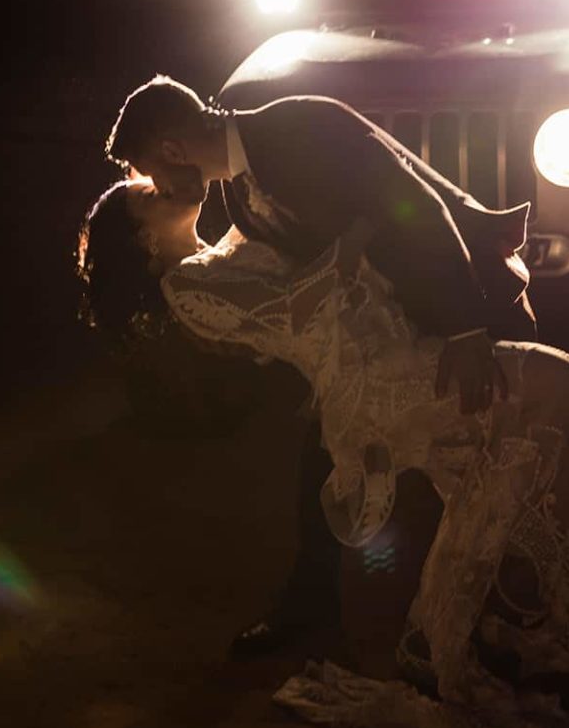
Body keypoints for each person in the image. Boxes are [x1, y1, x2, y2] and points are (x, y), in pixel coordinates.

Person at [79, 179, 569, 728]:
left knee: (508, 452)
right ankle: (451, 641)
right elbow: (297, 308)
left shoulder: (218, 252)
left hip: (392, 354)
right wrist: (355, 235)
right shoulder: (185, 288)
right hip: (376, 389)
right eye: (147, 196)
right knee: (558, 383)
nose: (164, 186)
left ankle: (463, 631)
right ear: (145, 242)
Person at [105, 75, 538, 653]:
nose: (155, 182)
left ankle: (501, 616)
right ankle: (320, 610)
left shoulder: (299, 122)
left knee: (496, 465)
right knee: (332, 464)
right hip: (394, 334)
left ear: (173, 152)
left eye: (150, 170)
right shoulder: (237, 195)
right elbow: (305, 290)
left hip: (465, 305)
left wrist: (466, 329)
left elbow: (419, 205)